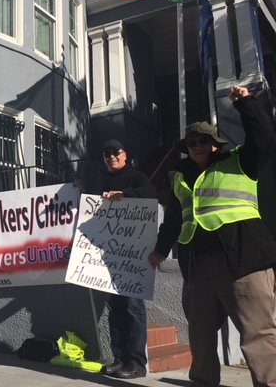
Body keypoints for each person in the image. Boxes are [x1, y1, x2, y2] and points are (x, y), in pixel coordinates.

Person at [149, 85, 276, 387]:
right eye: (191, 143)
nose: (196, 146)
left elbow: (265, 137)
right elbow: (175, 219)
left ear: (215, 144)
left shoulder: (242, 162)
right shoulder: (180, 177)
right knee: (200, 334)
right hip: (198, 266)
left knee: (257, 331)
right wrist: (160, 250)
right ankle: (203, 382)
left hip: (243, 262)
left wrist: (246, 103)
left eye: (202, 141)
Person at [99, 139, 156, 379]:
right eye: (107, 153)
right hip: (111, 256)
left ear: (125, 155)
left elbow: (150, 195)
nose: (111, 156)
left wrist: (126, 194)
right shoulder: (105, 181)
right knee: (115, 309)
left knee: (133, 307)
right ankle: (119, 358)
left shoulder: (137, 177)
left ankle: (136, 362)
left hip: (133, 257)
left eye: (116, 152)